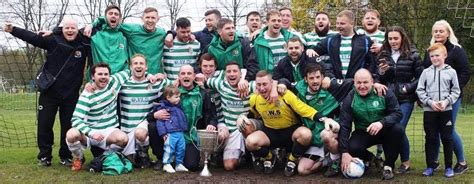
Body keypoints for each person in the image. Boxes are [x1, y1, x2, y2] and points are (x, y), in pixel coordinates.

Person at [3, 18, 89, 167]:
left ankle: (66, 156)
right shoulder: (53, 40)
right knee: (44, 125)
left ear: (77, 29)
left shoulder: (84, 43)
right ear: (62, 29)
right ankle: (44, 157)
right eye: (66, 28)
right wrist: (14, 30)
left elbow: (98, 28)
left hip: (71, 95)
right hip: (49, 92)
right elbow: (33, 38)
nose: (70, 31)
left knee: (68, 126)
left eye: (73, 28)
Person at [245, 71, 326, 177]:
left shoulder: (285, 94)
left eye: (264, 84)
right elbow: (253, 114)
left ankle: (292, 160)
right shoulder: (254, 99)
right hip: (270, 133)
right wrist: (243, 118)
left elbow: (303, 109)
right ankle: (269, 157)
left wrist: (323, 119)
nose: (261, 88)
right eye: (258, 85)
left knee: (306, 135)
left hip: (290, 132)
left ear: (272, 83)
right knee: (250, 142)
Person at [422, 20, 471, 174]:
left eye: (441, 31)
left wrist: (451, 93)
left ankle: (462, 162)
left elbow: (465, 72)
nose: (438, 33)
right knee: (433, 131)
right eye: (435, 31)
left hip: (451, 99)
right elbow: (425, 71)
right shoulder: (429, 50)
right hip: (432, 100)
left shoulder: (457, 50)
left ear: (448, 33)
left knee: (449, 130)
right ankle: (433, 162)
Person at [147, 65, 217, 171]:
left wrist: (211, 124)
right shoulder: (172, 92)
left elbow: (212, 115)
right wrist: (154, 115)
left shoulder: (203, 94)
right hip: (170, 132)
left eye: (189, 73)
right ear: (179, 77)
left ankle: (176, 159)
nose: (186, 76)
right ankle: (162, 158)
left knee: (191, 166)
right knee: (153, 126)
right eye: (183, 74)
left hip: (190, 135)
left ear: (194, 77)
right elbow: (151, 114)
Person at [65, 63, 134, 171]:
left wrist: (151, 76)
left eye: (106, 74)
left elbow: (133, 70)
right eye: (100, 74)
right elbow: (75, 119)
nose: (103, 77)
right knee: (71, 134)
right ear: (93, 76)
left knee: (123, 139)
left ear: (110, 75)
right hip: (90, 132)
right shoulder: (87, 94)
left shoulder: (115, 81)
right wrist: (91, 133)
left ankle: (104, 157)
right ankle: (79, 157)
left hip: (108, 130)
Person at [339, 69, 403, 180]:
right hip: (363, 131)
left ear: (372, 82)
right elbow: (345, 125)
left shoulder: (384, 92)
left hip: (384, 129)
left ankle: (388, 166)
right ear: (354, 83)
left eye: (365, 82)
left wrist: (382, 123)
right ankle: (373, 159)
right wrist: (344, 152)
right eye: (359, 83)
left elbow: (397, 113)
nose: (362, 86)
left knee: (398, 129)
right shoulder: (350, 98)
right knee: (352, 147)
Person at [377, 26, 424, 173]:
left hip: (406, 98)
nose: (392, 41)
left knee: (399, 128)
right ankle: (388, 161)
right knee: (389, 128)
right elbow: (378, 77)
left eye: (395, 38)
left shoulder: (414, 54)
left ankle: (405, 162)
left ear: (402, 38)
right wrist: (381, 73)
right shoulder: (383, 54)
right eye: (390, 38)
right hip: (388, 98)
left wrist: (408, 87)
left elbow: (421, 77)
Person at [417, 43, 460, 177]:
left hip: (445, 111)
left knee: (447, 138)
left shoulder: (451, 72)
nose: (435, 58)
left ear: (445, 55)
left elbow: (456, 90)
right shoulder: (426, 72)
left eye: (437, 55)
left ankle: (448, 167)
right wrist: (430, 102)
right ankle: (430, 166)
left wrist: (446, 101)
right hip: (430, 112)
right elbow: (420, 90)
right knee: (430, 138)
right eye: (432, 56)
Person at [87, 7, 170, 74]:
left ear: (157, 19)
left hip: (156, 75)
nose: (150, 20)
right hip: (136, 75)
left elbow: (177, 34)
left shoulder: (161, 33)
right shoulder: (132, 29)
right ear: (142, 18)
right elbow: (110, 21)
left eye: (153, 18)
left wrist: (171, 33)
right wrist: (91, 25)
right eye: (147, 17)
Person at [204, 62, 255, 171]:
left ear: (241, 74)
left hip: (244, 128)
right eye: (229, 71)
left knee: (245, 123)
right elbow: (202, 80)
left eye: (235, 71)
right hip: (230, 130)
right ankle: (239, 156)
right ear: (225, 74)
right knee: (229, 166)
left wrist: (275, 88)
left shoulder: (249, 86)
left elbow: (270, 83)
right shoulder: (221, 84)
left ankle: (256, 155)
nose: (232, 74)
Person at [307, 10, 376, 79]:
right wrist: (310, 50)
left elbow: (372, 63)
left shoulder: (365, 41)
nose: (339, 26)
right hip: (336, 84)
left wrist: (368, 78)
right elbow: (315, 51)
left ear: (352, 23)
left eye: (342, 23)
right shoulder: (330, 40)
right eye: (337, 23)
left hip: (358, 84)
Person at [154, 85, 189, 173]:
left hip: (180, 132)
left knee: (181, 148)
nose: (179, 99)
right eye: (176, 97)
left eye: (179, 97)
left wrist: (184, 127)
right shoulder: (164, 108)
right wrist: (163, 133)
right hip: (170, 133)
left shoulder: (178, 107)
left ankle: (179, 164)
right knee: (169, 148)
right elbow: (160, 122)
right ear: (168, 97)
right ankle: (166, 164)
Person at [89, 5, 128, 74]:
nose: (113, 16)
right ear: (105, 17)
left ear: (119, 18)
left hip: (119, 80)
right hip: (98, 78)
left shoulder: (125, 35)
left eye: (116, 14)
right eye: (110, 13)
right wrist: (91, 25)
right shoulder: (94, 32)